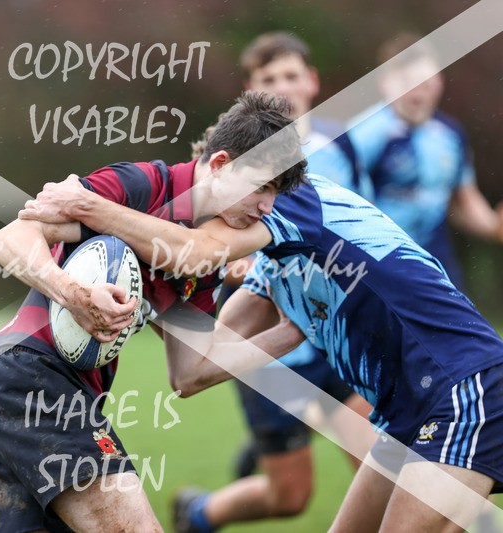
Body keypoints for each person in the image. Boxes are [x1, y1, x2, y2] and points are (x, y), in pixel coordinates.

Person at [19, 107, 503, 532]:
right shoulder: (272, 266)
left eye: (268, 191)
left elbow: (194, 252)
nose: (260, 204)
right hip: (408, 412)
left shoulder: (296, 202)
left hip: (463, 385)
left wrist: (91, 206)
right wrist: (284, 331)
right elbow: (192, 372)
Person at [0, 91, 307, 532]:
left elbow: (190, 373)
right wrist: (72, 294)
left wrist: (296, 330)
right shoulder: (142, 185)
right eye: (262, 186)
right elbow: (10, 240)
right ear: (221, 163)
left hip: (64, 397)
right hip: (34, 380)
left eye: (276, 194)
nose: (268, 207)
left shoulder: (203, 264)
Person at [174, 32, 378, 533]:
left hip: (333, 332)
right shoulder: (240, 154)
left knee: (375, 459)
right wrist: (232, 265)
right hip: (274, 339)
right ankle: (197, 515)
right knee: (290, 498)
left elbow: (365, 225)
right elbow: (208, 233)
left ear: (312, 81)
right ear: (252, 89)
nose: (283, 88)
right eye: (269, 80)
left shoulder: (342, 145)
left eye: (291, 75)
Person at [348, 32, 503, 289]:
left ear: (439, 82)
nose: (418, 93)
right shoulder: (363, 135)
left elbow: (462, 200)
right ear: (385, 82)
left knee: (461, 329)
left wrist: (495, 227)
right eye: (408, 83)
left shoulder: (451, 135)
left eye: (425, 83)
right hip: (377, 264)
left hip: (436, 263)